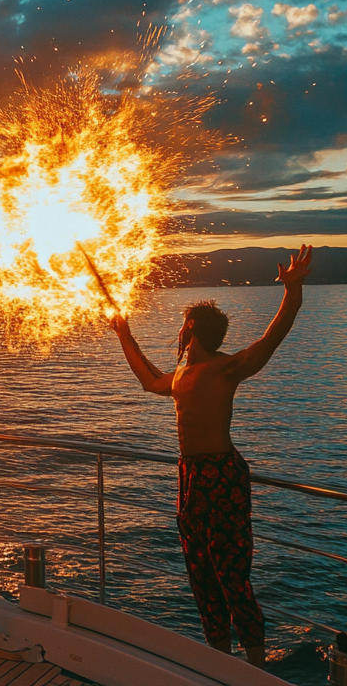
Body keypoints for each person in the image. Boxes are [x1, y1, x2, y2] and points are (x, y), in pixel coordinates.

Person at [109, 245, 313, 667]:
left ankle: (255, 669)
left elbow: (271, 338)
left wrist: (292, 292)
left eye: (182, 325)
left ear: (189, 327)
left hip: (221, 475)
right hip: (190, 478)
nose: (179, 331)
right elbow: (150, 381)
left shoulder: (225, 369)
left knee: (232, 575)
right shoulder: (181, 376)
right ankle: (219, 663)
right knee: (201, 574)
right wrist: (123, 334)